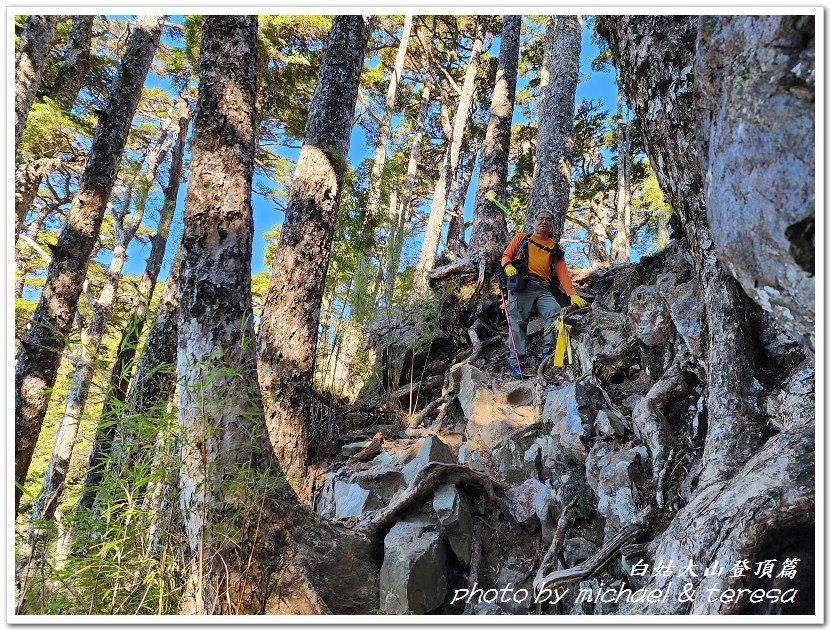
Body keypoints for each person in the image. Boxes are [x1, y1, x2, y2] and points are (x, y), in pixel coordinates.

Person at [501, 209, 587, 378]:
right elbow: (506, 256)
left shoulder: (555, 247)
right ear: (534, 222)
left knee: (556, 313)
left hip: (543, 287)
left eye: (548, 219)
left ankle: (547, 354)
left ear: (552, 225)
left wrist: (572, 294)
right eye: (540, 218)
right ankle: (517, 362)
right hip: (521, 285)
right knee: (518, 322)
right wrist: (507, 266)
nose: (544, 222)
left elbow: (562, 272)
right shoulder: (522, 238)